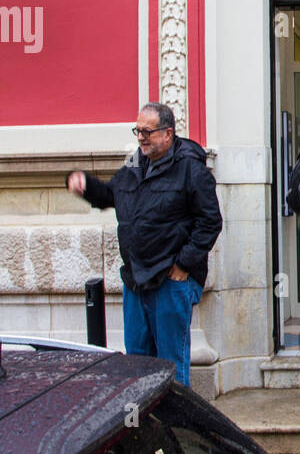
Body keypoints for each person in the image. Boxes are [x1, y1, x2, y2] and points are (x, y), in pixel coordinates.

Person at [66, 102, 222, 386]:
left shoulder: (191, 169)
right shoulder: (135, 164)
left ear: (168, 133)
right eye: (138, 131)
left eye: (147, 132)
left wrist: (183, 265)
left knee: (171, 364)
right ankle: (145, 426)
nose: (141, 137)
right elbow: (111, 194)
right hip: (136, 279)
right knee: (138, 362)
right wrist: (86, 185)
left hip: (170, 280)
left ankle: (176, 426)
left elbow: (210, 222)